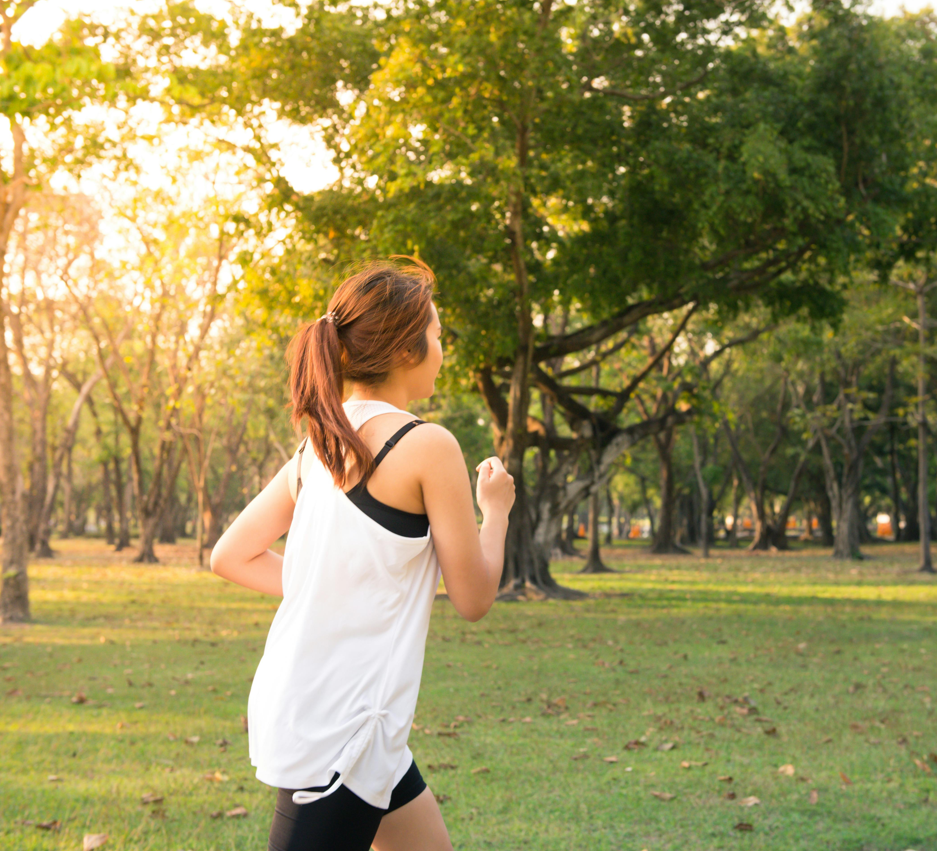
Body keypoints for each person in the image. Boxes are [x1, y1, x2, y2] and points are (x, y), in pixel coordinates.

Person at [209, 257, 515, 851]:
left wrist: (329, 584)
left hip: (353, 724)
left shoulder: (317, 447)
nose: (441, 348)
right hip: (341, 735)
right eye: (437, 335)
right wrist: (496, 511)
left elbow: (231, 556)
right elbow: (474, 597)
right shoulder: (427, 444)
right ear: (406, 349)